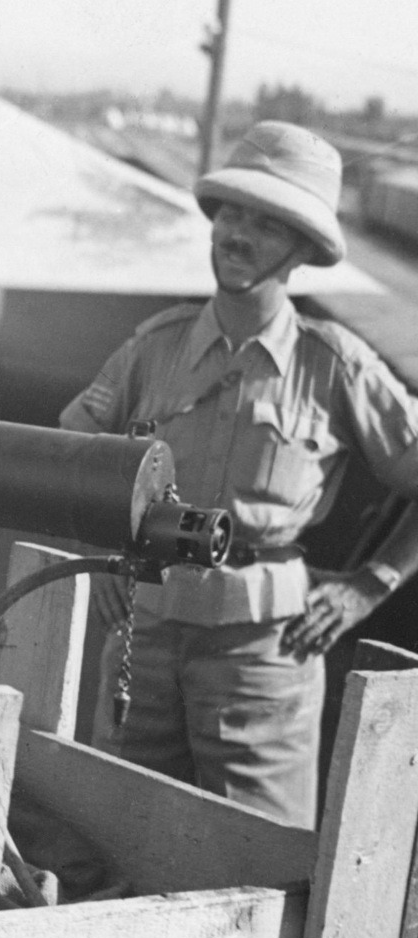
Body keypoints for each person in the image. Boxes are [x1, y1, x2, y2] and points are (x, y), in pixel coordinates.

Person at [61, 121, 418, 828]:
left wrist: (369, 584)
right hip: (145, 636)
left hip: (263, 656)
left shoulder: (333, 365)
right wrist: (103, 553)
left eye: (266, 221)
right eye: (231, 211)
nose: (238, 233)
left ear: (303, 249)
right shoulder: (155, 347)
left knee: (257, 858)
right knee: (112, 835)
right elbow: (73, 446)